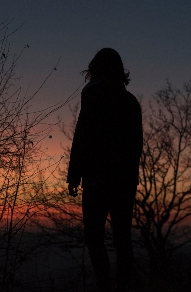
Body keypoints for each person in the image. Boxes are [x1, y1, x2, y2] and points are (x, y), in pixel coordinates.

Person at [67, 48, 143, 292]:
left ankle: (104, 285)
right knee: (122, 237)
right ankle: (123, 286)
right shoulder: (130, 101)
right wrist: (131, 176)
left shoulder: (91, 95)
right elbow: (136, 145)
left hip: (97, 179)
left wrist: (74, 175)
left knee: (95, 238)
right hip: (123, 180)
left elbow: (82, 136)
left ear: (94, 68)